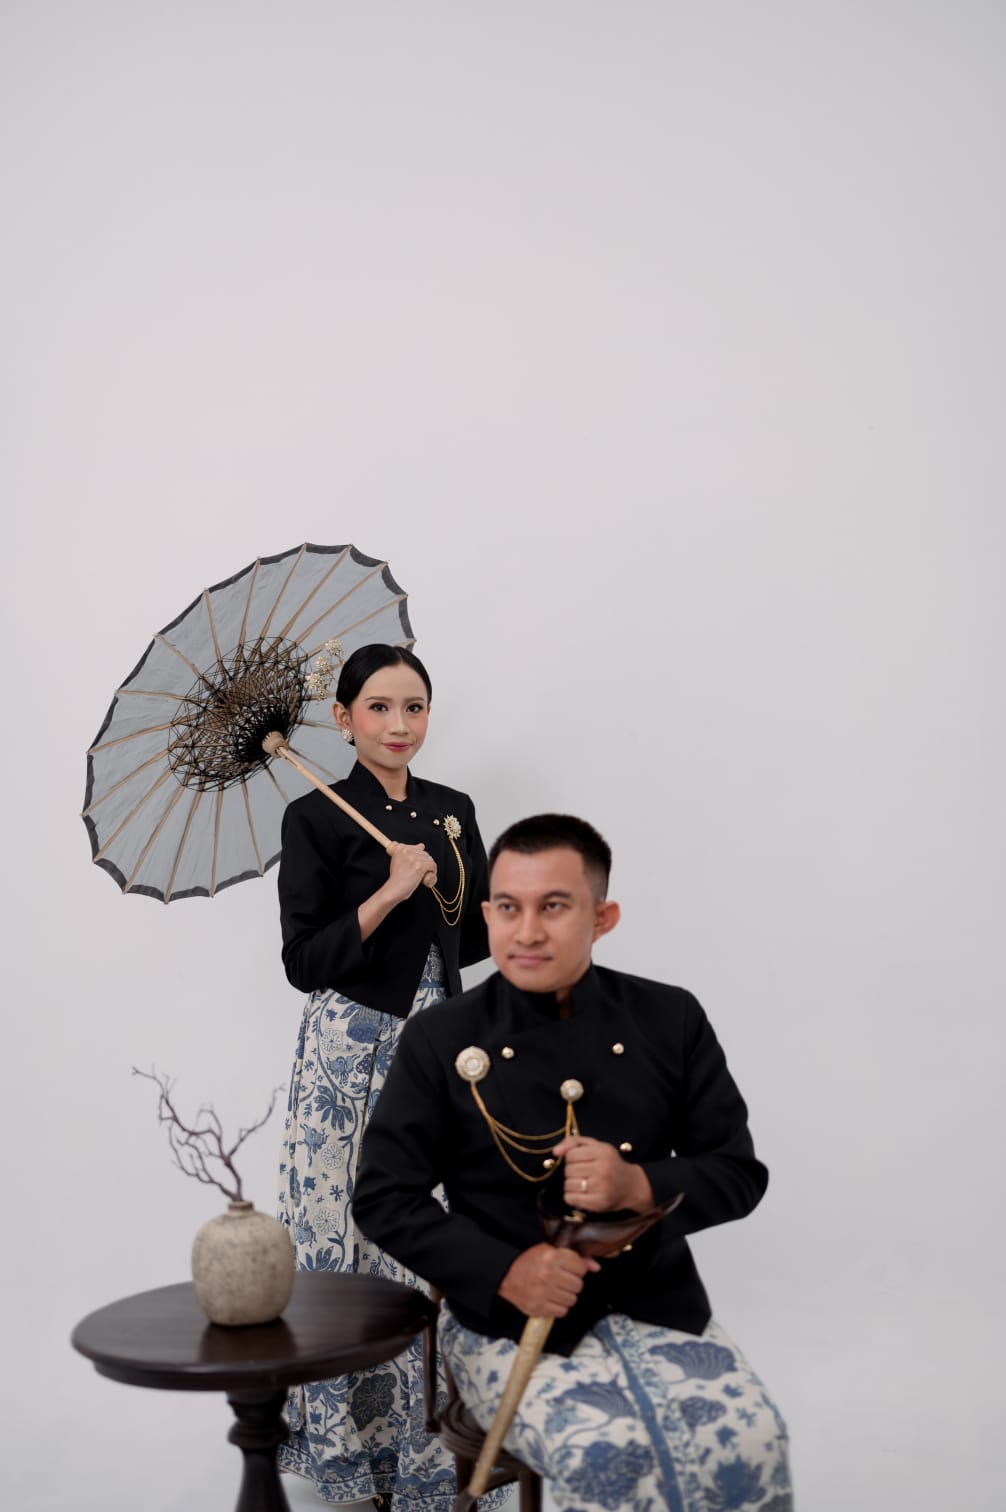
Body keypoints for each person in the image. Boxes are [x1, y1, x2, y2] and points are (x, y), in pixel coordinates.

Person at [353, 814, 793, 1512]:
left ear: (602, 918)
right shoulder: (440, 1037)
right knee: (608, 1456)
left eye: (553, 906)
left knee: (752, 1438)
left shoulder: (670, 1017)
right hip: (504, 1322)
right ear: (487, 914)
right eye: (508, 907)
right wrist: (507, 1271)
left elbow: (739, 1173)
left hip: (660, 1305)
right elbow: (383, 1198)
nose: (526, 931)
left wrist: (638, 1183)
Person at [275, 642, 493, 1510]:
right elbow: (304, 961)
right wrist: (390, 890)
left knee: (434, 1225)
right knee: (345, 1226)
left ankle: (432, 1450)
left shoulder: (452, 809)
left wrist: (490, 901)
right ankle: (351, 1453)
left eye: (415, 707)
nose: (399, 725)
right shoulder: (315, 816)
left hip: (441, 1041)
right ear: (342, 718)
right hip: (347, 1050)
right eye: (378, 707)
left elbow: (475, 936)